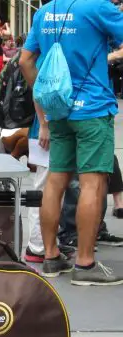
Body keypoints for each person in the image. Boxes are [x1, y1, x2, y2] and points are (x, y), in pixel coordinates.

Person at [20, 0, 123, 285]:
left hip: (59, 109)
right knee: (93, 183)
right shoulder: (98, 7)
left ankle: (51, 257)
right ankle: (85, 264)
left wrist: (44, 105)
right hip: (92, 109)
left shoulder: (45, 11)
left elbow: (25, 60)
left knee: (56, 180)